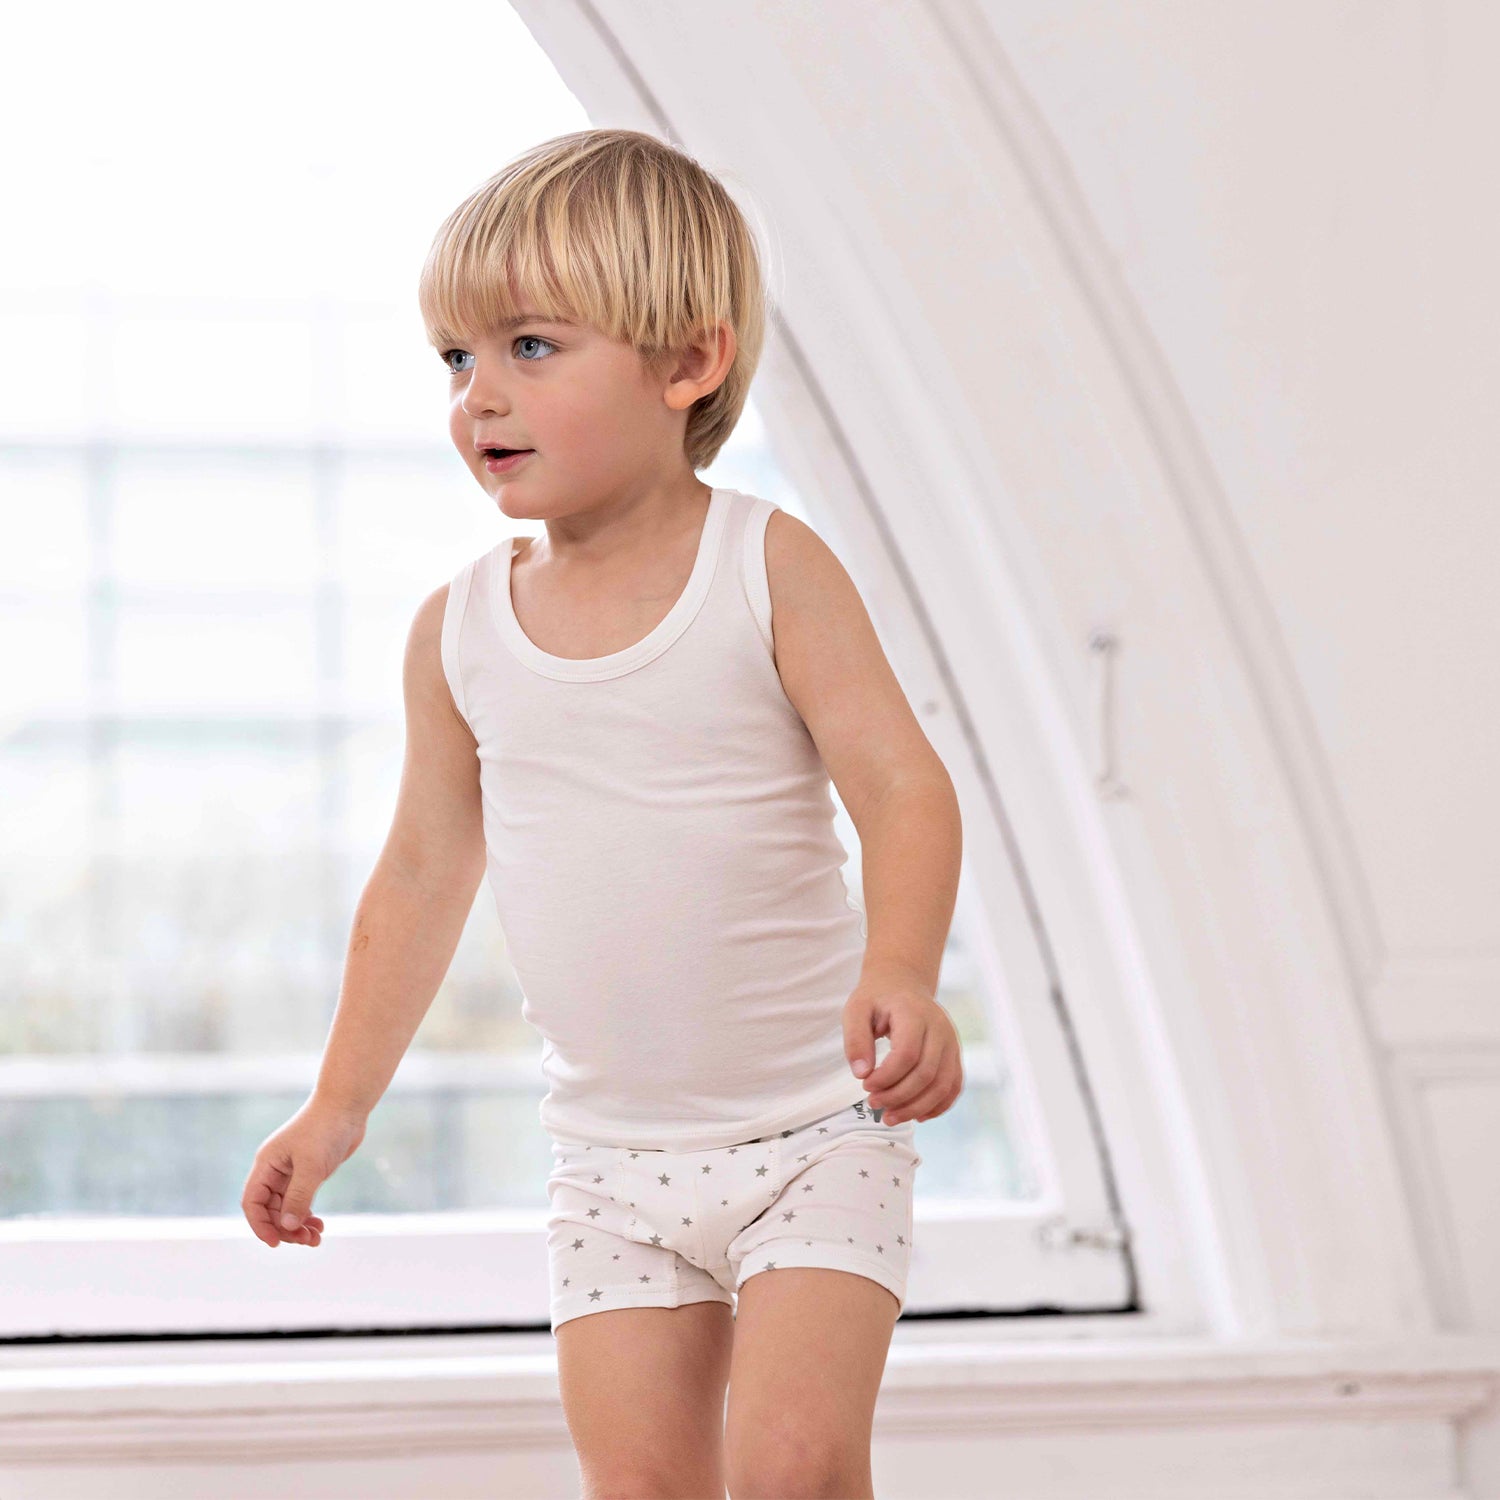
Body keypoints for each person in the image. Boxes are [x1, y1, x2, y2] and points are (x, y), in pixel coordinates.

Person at [241, 126, 965, 1499]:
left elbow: (901, 785)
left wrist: (904, 970)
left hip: (816, 1133)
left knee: (797, 1469)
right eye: (456, 358)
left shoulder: (768, 567)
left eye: (531, 347)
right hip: (611, 1166)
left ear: (688, 363)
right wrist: (335, 1110)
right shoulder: (457, 633)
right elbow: (418, 879)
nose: (480, 396)